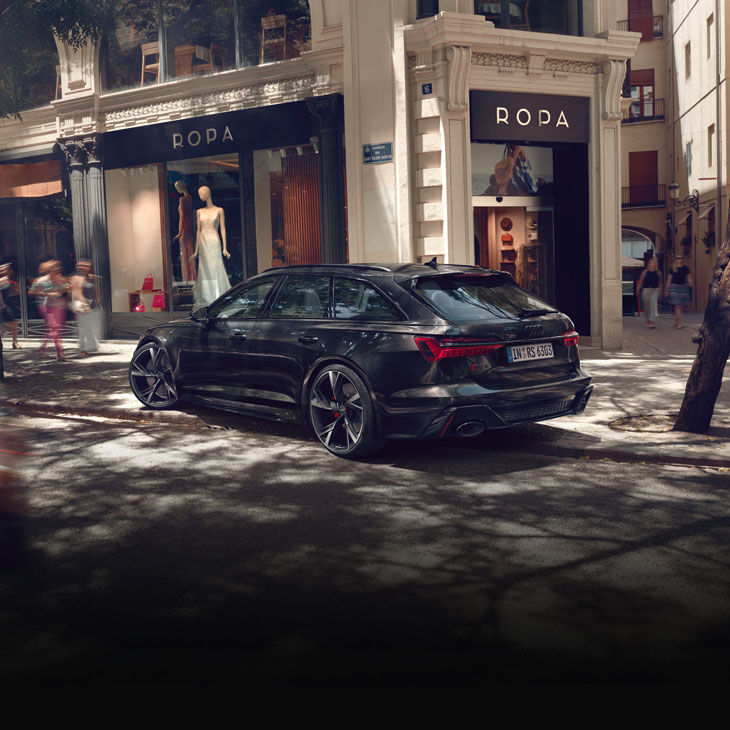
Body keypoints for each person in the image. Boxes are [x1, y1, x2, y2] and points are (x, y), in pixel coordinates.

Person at [191, 185, 231, 306]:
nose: (200, 196)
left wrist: (225, 248)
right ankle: (206, 300)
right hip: (203, 243)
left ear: (207, 193)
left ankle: (218, 298)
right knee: (204, 270)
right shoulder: (199, 212)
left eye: (201, 193)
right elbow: (198, 230)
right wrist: (196, 250)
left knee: (216, 268)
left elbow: (223, 229)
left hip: (214, 242)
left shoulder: (219, 210)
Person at [29, 260, 69, 361]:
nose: (56, 269)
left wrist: (65, 287)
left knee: (53, 329)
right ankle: (60, 353)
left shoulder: (60, 279)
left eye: (58, 267)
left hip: (60, 307)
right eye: (54, 267)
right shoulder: (41, 280)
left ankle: (42, 348)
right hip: (47, 307)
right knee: (55, 329)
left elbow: (66, 288)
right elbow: (31, 292)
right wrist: (46, 293)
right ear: (48, 269)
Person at [69, 259, 102, 357]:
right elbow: (77, 293)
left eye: (87, 266)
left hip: (91, 304)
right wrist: (85, 305)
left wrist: (99, 302)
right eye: (82, 266)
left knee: (87, 327)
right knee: (83, 327)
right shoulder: (76, 278)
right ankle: (83, 348)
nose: (85, 267)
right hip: (82, 305)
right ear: (78, 267)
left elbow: (95, 289)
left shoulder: (89, 277)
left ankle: (91, 344)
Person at [172, 180, 196, 283]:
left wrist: (180, 232)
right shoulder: (190, 199)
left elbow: (182, 217)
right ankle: (192, 278)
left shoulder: (182, 200)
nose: (176, 190)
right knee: (190, 253)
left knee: (185, 255)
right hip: (190, 230)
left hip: (185, 231)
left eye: (177, 187)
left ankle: (187, 279)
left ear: (181, 187)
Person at [666, 255, 693, 328]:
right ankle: (680, 323)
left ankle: (676, 318)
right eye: (678, 258)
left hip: (683, 287)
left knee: (680, 306)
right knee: (678, 305)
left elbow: (689, 277)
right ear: (675, 260)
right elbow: (669, 279)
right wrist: (667, 290)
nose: (679, 259)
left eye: (681, 258)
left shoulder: (686, 268)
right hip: (674, 288)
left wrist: (690, 283)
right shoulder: (672, 268)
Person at [636, 257, 662, 328]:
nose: (655, 264)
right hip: (646, 290)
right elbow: (640, 282)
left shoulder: (658, 273)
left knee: (653, 305)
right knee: (647, 307)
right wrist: (637, 290)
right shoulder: (645, 272)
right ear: (650, 264)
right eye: (654, 262)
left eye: (656, 263)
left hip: (655, 290)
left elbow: (660, 283)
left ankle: (652, 322)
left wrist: (660, 292)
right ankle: (647, 320)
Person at [0, 263, 21, 348]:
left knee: (14, 322)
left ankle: (14, 342)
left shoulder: (10, 280)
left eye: (6, 269)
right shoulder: (2, 280)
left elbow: (15, 293)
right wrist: (2, 303)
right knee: (11, 322)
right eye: (2, 269)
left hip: (9, 302)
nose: (3, 271)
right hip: (3, 303)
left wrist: (15, 289)